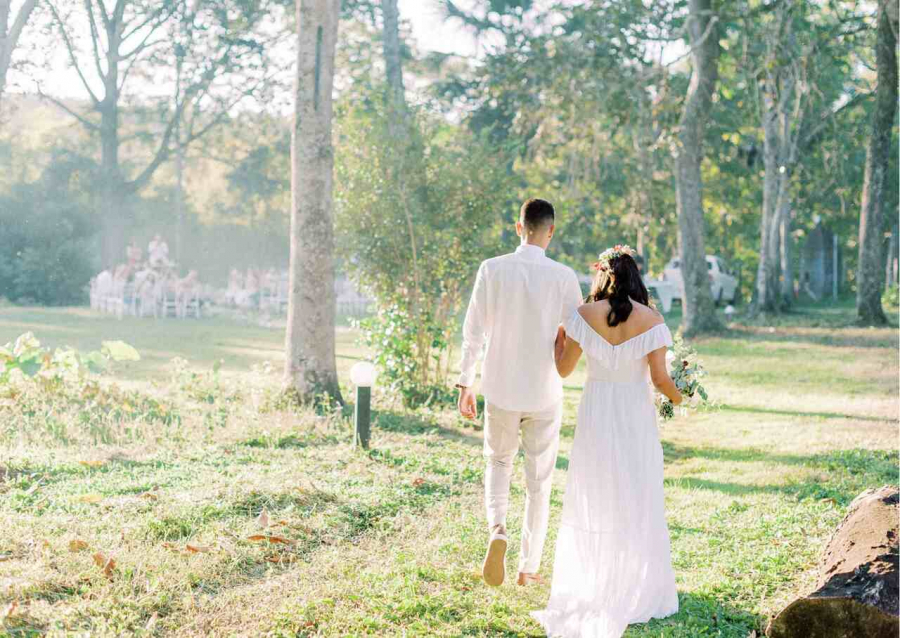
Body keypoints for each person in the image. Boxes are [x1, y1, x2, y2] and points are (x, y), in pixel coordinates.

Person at [532, 245, 683, 638]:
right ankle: (635, 583)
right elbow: (660, 380)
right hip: (634, 412)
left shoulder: (583, 316)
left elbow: (563, 369)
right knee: (635, 489)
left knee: (596, 488)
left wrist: (558, 339)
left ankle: (595, 577)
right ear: (636, 278)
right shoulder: (652, 320)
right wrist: (684, 397)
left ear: (601, 275)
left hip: (598, 410)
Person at [457, 198, 583, 588]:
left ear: (519, 227)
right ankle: (528, 568)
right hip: (544, 390)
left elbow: (473, 329)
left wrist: (466, 382)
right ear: (551, 232)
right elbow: (576, 331)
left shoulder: (492, 269)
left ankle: (497, 529)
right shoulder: (563, 276)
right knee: (539, 482)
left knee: (497, 464)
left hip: (500, 388)